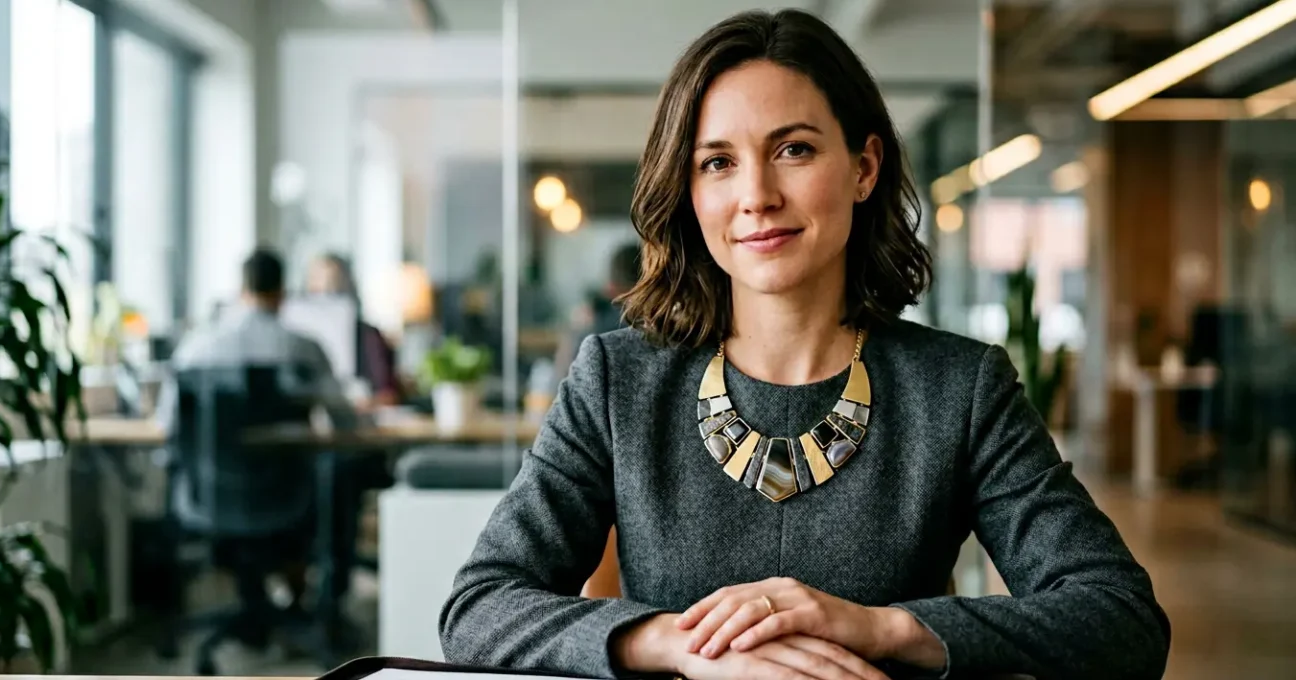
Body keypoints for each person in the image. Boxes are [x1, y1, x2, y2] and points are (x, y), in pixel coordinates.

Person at [440, 9, 1169, 680]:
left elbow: (1122, 619)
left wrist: (878, 629)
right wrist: (678, 645)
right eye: (717, 162)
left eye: (792, 149)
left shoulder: (961, 387)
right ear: (690, 193)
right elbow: (478, 608)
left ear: (863, 167)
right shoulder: (616, 379)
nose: (756, 194)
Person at [157, 249, 361, 622]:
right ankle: (325, 611)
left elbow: (166, 427)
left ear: (241, 288)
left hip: (209, 500)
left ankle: (254, 603)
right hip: (286, 500)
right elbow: (345, 423)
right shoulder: (302, 348)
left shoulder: (195, 349)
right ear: (282, 291)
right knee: (342, 475)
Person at [306, 253, 403, 406]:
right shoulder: (299, 338)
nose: (325, 291)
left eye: (333, 283)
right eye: (316, 281)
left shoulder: (369, 337)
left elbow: (388, 394)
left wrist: (365, 403)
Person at [554, 242, 643, 373]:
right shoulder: (666, 330)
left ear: (611, 287)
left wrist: (574, 330)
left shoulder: (594, 332)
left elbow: (561, 377)